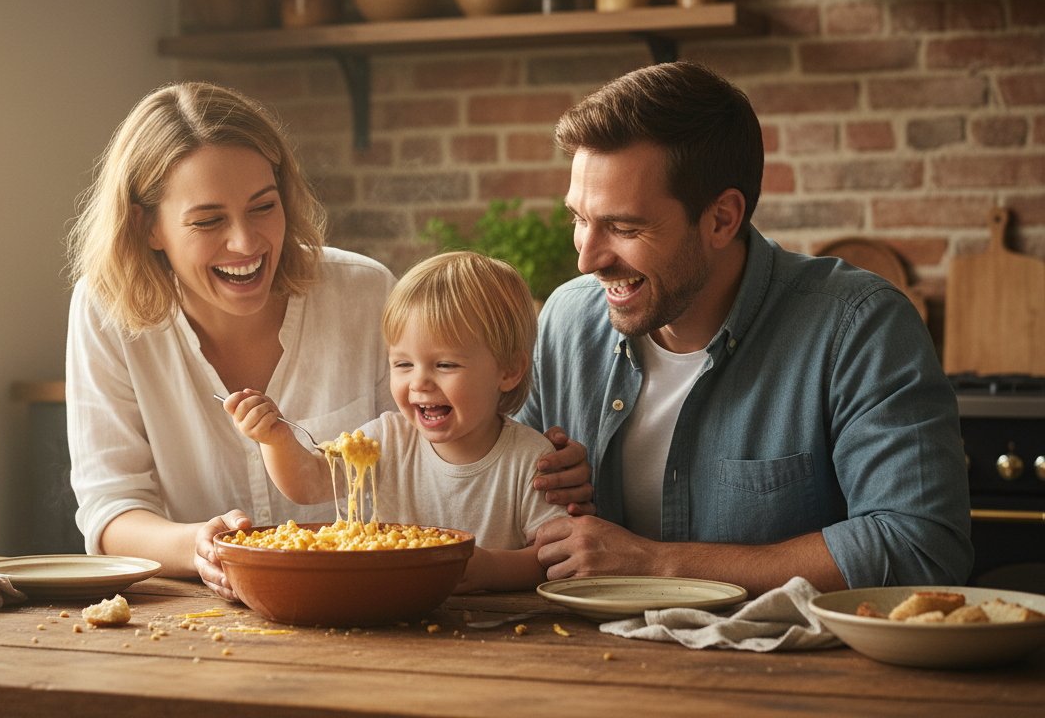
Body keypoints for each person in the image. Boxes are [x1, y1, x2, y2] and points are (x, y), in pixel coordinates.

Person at [65, 82, 592, 601]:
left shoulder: (363, 292)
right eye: (208, 220)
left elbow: (445, 445)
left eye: (263, 206)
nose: (246, 243)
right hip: (195, 613)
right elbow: (111, 508)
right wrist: (196, 545)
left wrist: (539, 458)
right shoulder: (106, 310)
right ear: (147, 226)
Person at [518, 62, 973, 596]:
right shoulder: (567, 320)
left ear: (721, 219)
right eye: (579, 218)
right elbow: (498, 494)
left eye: (624, 227)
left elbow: (921, 548)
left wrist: (656, 563)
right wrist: (529, 474)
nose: (587, 259)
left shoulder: (860, 326)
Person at [223, 251, 567, 592]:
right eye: (403, 365)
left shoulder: (531, 459)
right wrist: (276, 438)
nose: (419, 383)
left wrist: (491, 569)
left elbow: (553, 556)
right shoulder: (385, 441)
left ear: (508, 371)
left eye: (445, 365)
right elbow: (307, 483)